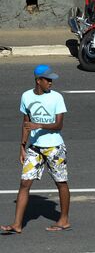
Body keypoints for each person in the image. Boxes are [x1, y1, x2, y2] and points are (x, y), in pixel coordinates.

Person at [1, 65, 70, 234]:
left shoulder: (57, 98)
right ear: (38, 81)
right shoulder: (26, 96)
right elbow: (25, 124)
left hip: (54, 147)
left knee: (61, 182)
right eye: (47, 80)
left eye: (51, 80)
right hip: (34, 148)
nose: (51, 83)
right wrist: (22, 147)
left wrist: (38, 125)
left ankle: (64, 220)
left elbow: (58, 125)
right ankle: (17, 224)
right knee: (24, 183)